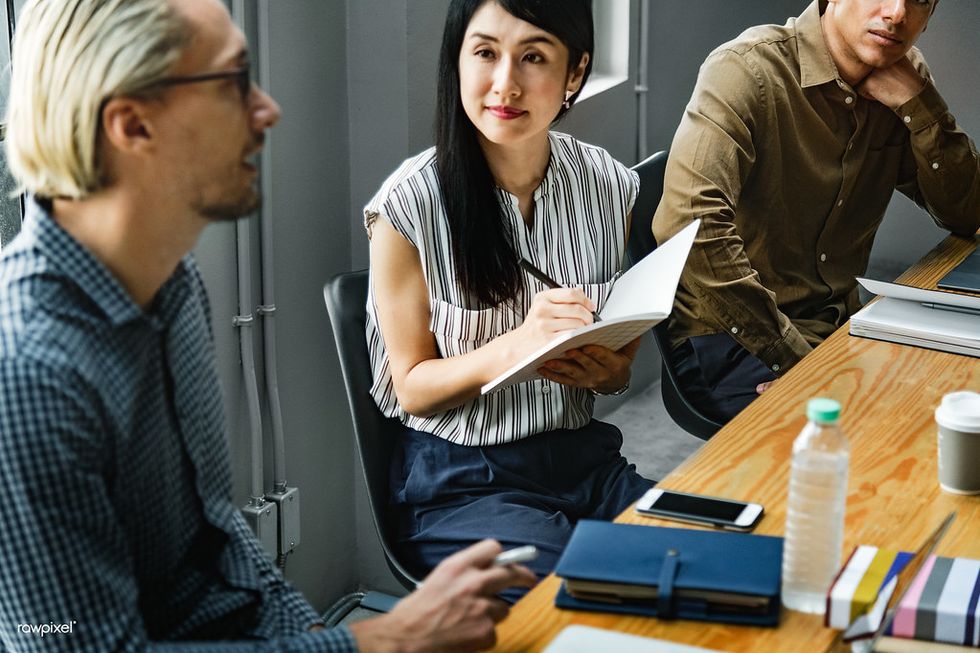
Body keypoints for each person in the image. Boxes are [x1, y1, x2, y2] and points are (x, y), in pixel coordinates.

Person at [0, 0, 534, 651]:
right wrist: (383, 640)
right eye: (233, 83)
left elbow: (219, 534)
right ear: (132, 124)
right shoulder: (28, 375)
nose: (268, 109)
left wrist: (310, 629)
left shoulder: (169, 278)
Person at [365, 0, 654, 598]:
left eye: (534, 57)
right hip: (462, 483)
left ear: (574, 73)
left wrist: (609, 372)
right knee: (592, 594)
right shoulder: (407, 207)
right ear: (458, 61)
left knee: (700, 563)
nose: (505, 84)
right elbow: (411, 385)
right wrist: (521, 342)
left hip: (586, 462)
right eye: (486, 53)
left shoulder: (609, 186)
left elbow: (617, 367)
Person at [652, 0, 980, 423]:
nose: (897, 13)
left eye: (918, 0)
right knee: (883, 438)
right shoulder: (746, 69)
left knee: (952, 396)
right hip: (736, 340)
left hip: (838, 323)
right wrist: (798, 364)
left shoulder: (903, 76)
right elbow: (689, 227)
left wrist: (920, 105)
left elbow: (966, 212)